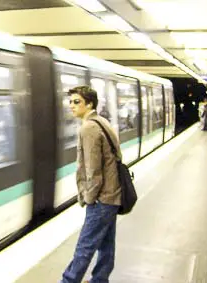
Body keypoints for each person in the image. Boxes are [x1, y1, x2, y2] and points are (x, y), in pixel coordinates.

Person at [61, 86, 121, 283]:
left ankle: (69, 280)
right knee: (106, 243)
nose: (72, 105)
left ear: (90, 104)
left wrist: (89, 198)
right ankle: (100, 279)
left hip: (102, 199)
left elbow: (93, 171)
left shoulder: (89, 128)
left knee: (85, 245)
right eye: (70, 101)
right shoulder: (101, 121)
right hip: (113, 195)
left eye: (77, 101)